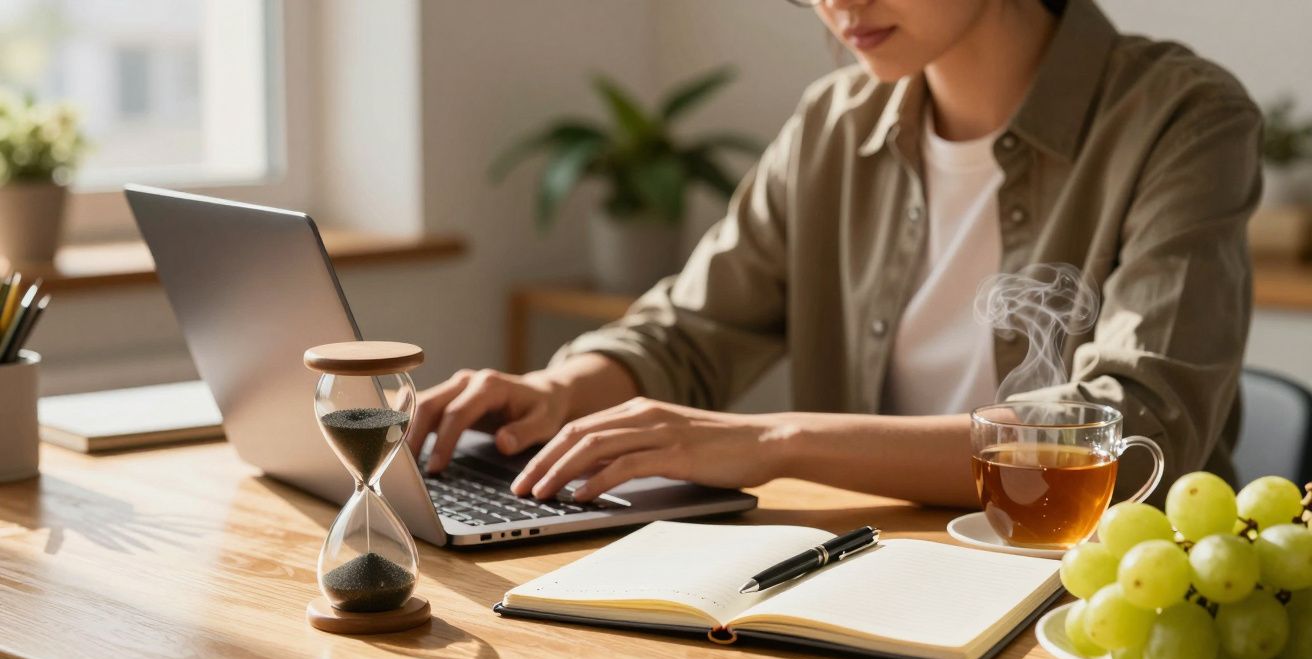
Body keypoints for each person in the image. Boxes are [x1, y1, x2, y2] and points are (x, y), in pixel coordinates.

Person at [408, 0, 1260, 508]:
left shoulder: (1182, 119)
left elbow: (1137, 425)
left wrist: (777, 440)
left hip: (1085, 611)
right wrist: (556, 391)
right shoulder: (834, 124)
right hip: (873, 587)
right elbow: (690, 329)